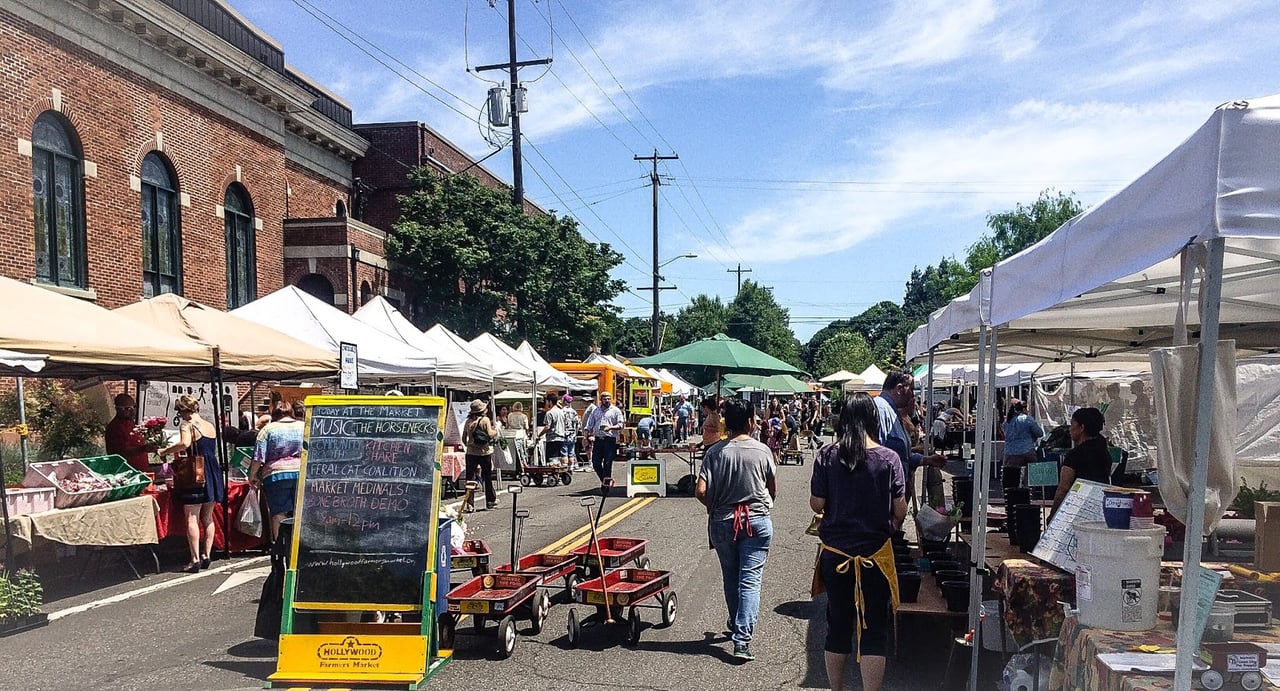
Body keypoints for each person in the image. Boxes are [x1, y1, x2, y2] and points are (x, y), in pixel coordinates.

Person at [811, 392, 907, 691]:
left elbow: (817, 503)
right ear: (873, 419)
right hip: (875, 555)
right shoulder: (889, 458)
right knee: (874, 631)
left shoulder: (827, 456)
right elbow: (900, 509)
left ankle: (836, 689)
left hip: (836, 554)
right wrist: (891, 525)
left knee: (837, 627)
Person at [696, 397, 776, 662]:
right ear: (751, 422)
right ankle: (742, 639)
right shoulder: (762, 450)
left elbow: (700, 491)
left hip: (722, 520)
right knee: (750, 580)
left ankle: (736, 621)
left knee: (731, 577)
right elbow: (771, 489)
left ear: (726, 423)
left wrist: (714, 506)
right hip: (755, 519)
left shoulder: (714, 452)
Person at [159, 394, 225, 573]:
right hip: (212, 471)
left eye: (180, 412)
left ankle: (194, 559)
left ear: (184, 411)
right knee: (208, 517)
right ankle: (206, 555)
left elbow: (184, 443)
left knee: (192, 517)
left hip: (196, 473)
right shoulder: (210, 425)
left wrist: (165, 450)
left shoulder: (187, 425)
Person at [249, 401, 305, 541]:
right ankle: (298, 545)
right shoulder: (304, 427)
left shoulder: (268, 430)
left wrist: (253, 475)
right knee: (300, 512)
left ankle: (281, 544)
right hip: (301, 473)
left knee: (279, 512)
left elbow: (258, 456)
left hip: (275, 476)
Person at [1050, 407, 1112, 516]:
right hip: (1101, 507)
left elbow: (1064, 488)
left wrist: (1053, 514)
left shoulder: (1075, 455)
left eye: (1072, 424)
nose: (1069, 429)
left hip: (1078, 509)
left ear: (1082, 427)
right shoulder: (1104, 451)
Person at [462, 399, 500, 510]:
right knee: (487, 477)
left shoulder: (468, 421)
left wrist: (469, 445)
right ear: (482, 410)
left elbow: (464, 437)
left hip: (471, 453)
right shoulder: (485, 420)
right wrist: (496, 430)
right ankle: (490, 501)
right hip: (484, 452)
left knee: (470, 478)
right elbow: (490, 434)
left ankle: (470, 504)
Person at [584, 391, 626, 486]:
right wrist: (587, 435)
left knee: (607, 463)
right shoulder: (596, 411)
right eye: (605, 399)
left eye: (609, 399)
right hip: (598, 439)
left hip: (609, 440)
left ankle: (605, 486)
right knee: (596, 463)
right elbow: (589, 425)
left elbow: (621, 425)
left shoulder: (615, 411)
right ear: (601, 400)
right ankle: (605, 480)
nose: (607, 400)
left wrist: (610, 428)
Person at [104, 393, 153, 473]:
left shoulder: (131, 423)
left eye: (134, 407)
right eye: (127, 408)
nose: (132, 411)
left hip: (140, 471)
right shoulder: (115, 427)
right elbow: (122, 452)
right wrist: (144, 449)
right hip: (125, 473)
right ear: (117, 409)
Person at [1001, 399, 1044, 470]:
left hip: (1010, 453)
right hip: (1027, 451)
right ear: (1023, 409)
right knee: (1032, 473)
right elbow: (1039, 433)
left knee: (1009, 474)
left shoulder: (1007, 422)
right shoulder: (1027, 419)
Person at [534, 393, 565, 467]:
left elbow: (547, 427)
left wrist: (539, 435)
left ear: (550, 402)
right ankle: (558, 472)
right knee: (558, 458)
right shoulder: (561, 412)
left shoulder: (549, 413)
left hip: (552, 438)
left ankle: (553, 472)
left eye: (547, 401)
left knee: (552, 460)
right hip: (561, 437)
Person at [560, 395, 578, 465]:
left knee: (564, 453)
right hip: (572, 434)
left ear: (564, 401)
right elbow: (577, 424)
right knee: (571, 453)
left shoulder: (562, 411)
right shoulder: (574, 411)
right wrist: (575, 433)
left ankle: (565, 467)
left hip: (564, 434)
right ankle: (571, 467)